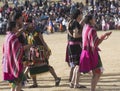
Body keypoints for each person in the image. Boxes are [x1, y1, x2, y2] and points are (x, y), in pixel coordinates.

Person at [24, 17, 61, 88]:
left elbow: (42, 41)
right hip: (32, 51)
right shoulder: (26, 31)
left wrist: (47, 49)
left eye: (28, 23)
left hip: (40, 51)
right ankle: (35, 83)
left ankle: (56, 78)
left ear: (31, 23)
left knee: (45, 65)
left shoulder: (36, 30)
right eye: (26, 24)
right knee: (32, 66)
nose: (27, 25)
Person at [79, 14, 112, 91]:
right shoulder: (92, 30)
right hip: (92, 53)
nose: (95, 19)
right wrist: (104, 35)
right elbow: (96, 43)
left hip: (85, 52)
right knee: (97, 72)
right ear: (90, 20)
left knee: (96, 72)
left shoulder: (85, 27)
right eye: (93, 18)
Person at [2, 21, 32, 91]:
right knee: (20, 82)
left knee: (13, 84)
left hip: (7, 64)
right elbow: (19, 49)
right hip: (13, 66)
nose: (17, 28)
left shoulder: (7, 36)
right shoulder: (13, 38)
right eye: (16, 26)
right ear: (13, 28)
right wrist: (30, 45)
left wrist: (23, 28)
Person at [66, 9, 85, 88]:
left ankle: (73, 82)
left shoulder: (70, 22)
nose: (82, 15)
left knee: (76, 66)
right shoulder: (75, 23)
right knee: (78, 65)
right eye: (81, 14)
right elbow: (75, 35)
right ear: (78, 15)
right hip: (76, 46)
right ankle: (76, 83)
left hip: (71, 45)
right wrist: (85, 34)